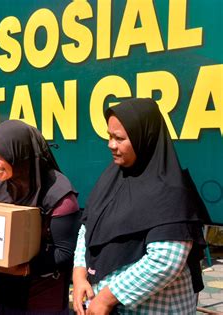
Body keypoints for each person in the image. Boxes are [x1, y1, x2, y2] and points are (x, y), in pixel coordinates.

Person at [72, 98, 208, 315]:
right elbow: (87, 228)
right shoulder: (112, 179)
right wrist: (79, 276)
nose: (111, 145)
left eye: (119, 138)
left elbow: (166, 259)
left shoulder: (171, 191)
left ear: (145, 138)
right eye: (109, 136)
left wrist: (106, 298)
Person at [0, 120, 81, 314]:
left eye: (1, 154)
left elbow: (65, 252)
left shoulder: (59, 192)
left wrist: (22, 268)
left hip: (42, 298)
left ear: (20, 153)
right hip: (2, 294)